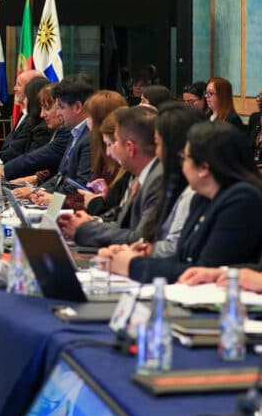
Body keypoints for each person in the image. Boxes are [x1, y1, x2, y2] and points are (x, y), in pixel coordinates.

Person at [109, 121, 262, 282]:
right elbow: (182, 258)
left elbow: (204, 270)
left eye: (185, 157)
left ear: (203, 168)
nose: (182, 165)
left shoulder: (242, 200)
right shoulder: (201, 198)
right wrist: (137, 256)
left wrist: (133, 265)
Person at [96, 102, 208, 263]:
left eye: (159, 144)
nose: (156, 152)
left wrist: (138, 257)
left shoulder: (186, 187)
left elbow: (180, 252)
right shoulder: (176, 183)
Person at [58, 106, 162, 247]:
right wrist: (92, 222)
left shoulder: (158, 180)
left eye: (114, 143)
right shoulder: (139, 175)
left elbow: (139, 238)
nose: (108, 152)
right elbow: (121, 222)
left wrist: (84, 229)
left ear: (130, 148)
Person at [33, 90, 127, 209]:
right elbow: (87, 195)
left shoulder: (114, 157)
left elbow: (98, 203)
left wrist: (57, 201)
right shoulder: (101, 151)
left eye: (89, 116)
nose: (86, 121)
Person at [0, 82, 70, 186]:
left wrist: (5, 171)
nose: (42, 114)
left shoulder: (66, 133)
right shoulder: (58, 131)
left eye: (47, 108)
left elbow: (35, 159)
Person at [0, 73, 50, 162]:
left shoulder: (40, 125)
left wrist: (3, 172)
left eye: (19, 85)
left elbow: (29, 160)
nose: (14, 88)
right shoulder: (25, 115)